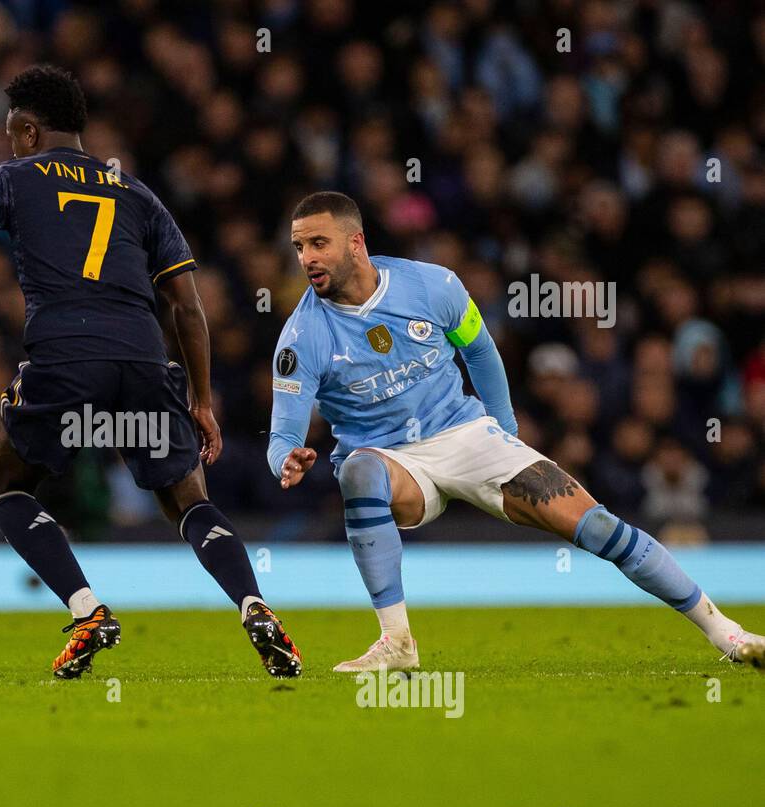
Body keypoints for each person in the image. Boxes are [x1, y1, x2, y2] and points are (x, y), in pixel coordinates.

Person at [269, 191, 764, 672]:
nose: (306, 258)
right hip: (391, 463)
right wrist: (287, 459)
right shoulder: (302, 336)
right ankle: (396, 641)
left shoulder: (432, 286)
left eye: (318, 243)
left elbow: (480, 351)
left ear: (356, 242)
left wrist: (504, 433)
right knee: (357, 471)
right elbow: (282, 437)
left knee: (597, 527)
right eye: (299, 247)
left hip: (465, 435)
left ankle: (725, 632)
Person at [0, 66, 301, 679]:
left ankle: (87, 609)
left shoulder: (10, 179)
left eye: (14, 132)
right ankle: (254, 605)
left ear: (29, 130)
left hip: (65, 361)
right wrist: (201, 400)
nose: (11, 142)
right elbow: (189, 308)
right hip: (145, 361)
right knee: (188, 502)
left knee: (3, 485)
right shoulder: (135, 192)